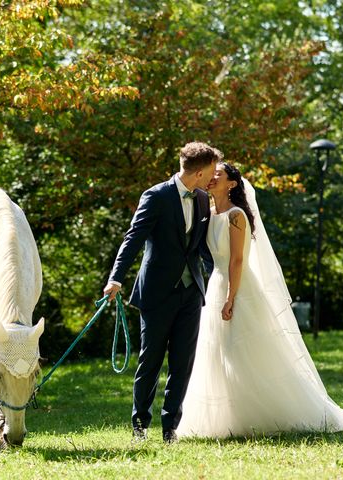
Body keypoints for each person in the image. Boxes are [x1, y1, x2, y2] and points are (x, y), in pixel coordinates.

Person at [176, 162, 343, 438]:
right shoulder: (210, 212)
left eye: (219, 175)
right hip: (215, 283)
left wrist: (231, 297)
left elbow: (238, 260)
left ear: (231, 184)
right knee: (217, 350)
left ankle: (267, 412)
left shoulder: (236, 215)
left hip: (237, 285)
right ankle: (225, 418)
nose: (212, 178)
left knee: (245, 349)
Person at [103, 141, 220, 444]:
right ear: (198, 171)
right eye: (210, 172)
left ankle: (171, 429)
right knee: (150, 361)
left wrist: (222, 277)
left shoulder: (205, 200)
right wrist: (115, 279)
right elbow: (133, 239)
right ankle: (140, 425)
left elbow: (202, 248)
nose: (213, 177)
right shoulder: (156, 196)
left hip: (192, 292)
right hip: (156, 293)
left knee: (182, 363)